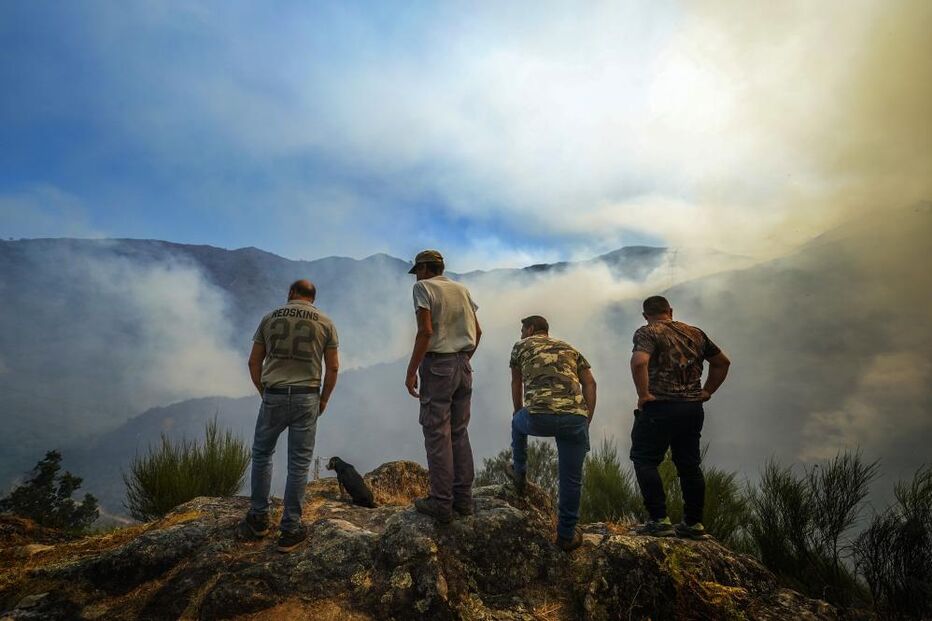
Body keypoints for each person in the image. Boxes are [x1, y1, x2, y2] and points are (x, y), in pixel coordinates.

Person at [237, 279, 340, 552]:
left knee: (262, 454)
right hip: (307, 396)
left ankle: (259, 518)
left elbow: (253, 361)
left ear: (292, 294)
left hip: (274, 394)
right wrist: (324, 398)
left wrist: (263, 390)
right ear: (313, 298)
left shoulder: (269, 318)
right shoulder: (325, 322)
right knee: (298, 464)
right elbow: (333, 368)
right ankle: (290, 528)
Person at [629, 295, 730, 539]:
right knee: (689, 465)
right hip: (692, 409)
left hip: (660, 406)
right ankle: (694, 524)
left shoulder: (647, 332)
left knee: (644, 459)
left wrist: (643, 395)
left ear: (645, 315)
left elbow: (639, 362)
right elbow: (722, 363)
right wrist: (706, 391)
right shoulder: (695, 333)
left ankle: (659, 520)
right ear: (670, 311)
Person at [506, 315, 597, 552]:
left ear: (531, 329)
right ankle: (566, 535)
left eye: (522, 329)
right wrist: (586, 418)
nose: (521, 334)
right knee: (571, 478)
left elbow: (516, 382)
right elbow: (590, 383)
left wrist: (518, 412)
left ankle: (519, 473)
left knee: (517, 423)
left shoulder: (521, 347)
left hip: (539, 417)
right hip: (574, 418)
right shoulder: (570, 348)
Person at [405, 250, 481, 523]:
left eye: (418, 270)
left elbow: (425, 331)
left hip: (437, 366)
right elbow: (478, 331)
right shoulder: (461, 289)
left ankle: (441, 503)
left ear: (425, 268)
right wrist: (463, 360)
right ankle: (463, 501)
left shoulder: (422, 288)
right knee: (459, 432)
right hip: (463, 365)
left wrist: (412, 370)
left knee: (437, 433)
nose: (417, 276)